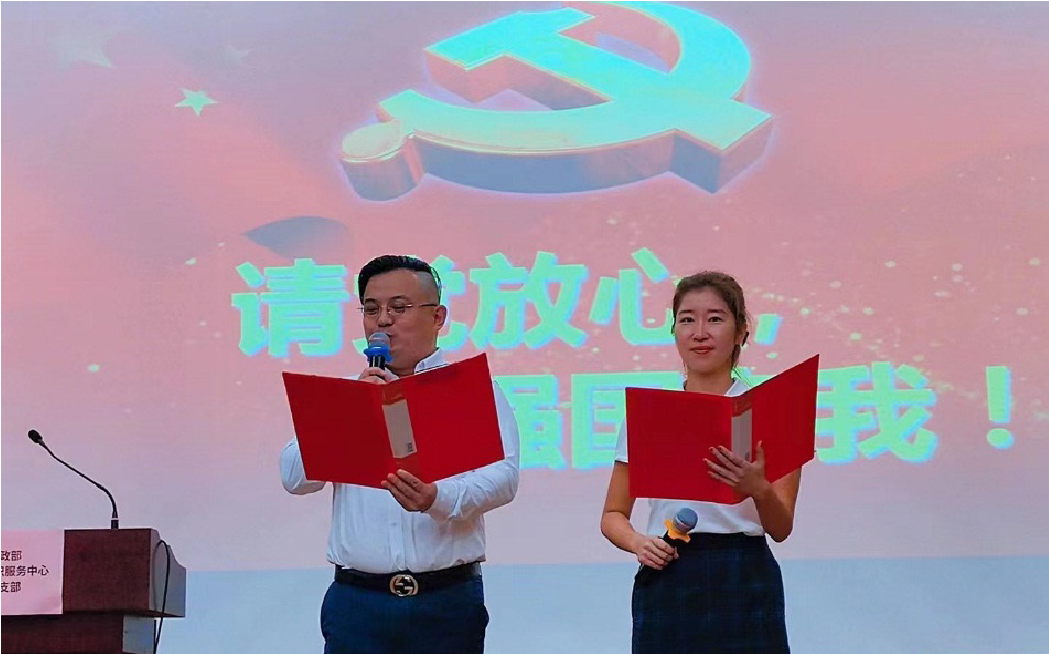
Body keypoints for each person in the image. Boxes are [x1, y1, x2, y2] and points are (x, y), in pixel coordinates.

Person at [280, 254, 520, 654]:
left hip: (446, 602)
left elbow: (504, 478)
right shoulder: (346, 394)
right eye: (371, 309)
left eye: (399, 308)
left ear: (437, 316)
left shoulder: (469, 390)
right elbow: (293, 477)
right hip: (358, 602)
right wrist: (350, 412)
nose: (383, 321)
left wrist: (437, 498)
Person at [600, 271, 801, 653]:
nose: (700, 333)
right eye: (687, 319)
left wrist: (758, 489)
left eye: (715, 319)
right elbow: (612, 514)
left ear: (741, 331)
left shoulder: (771, 412)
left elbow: (781, 528)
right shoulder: (651, 415)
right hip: (670, 569)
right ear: (674, 330)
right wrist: (639, 543)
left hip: (744, 573)